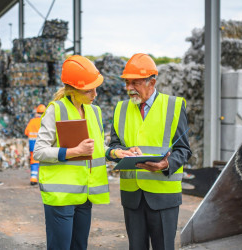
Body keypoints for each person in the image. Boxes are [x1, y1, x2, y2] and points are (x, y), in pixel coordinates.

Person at [34, 55, 131, 250]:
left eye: (96, 88)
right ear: (74, 88)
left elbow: (97, 146)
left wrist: (114, 153)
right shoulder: (56, 110)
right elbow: (39, 151)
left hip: (84, 193)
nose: (95, 93)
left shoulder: (93, 111)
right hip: (60, 197)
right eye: (89, 90)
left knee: (80, 246)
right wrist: (73, 151)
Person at [106, 53, 192, 250]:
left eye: (135, 83)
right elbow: (115, 145)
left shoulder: (174, 106)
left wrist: (166, 164)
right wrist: (121, 152)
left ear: (152, 82)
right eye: (127, 83)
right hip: (132, 196)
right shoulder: (120, 108)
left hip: (163, 196)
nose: (129, 88)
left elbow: (183, 149)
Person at [24, 104, 46, 185]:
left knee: (34, 161)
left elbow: (26, 132)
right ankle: (43, 179)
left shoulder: (32, 121)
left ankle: (33, 178)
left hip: (33, 145)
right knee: (44, 162)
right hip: (43, 145)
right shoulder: (46, 121)